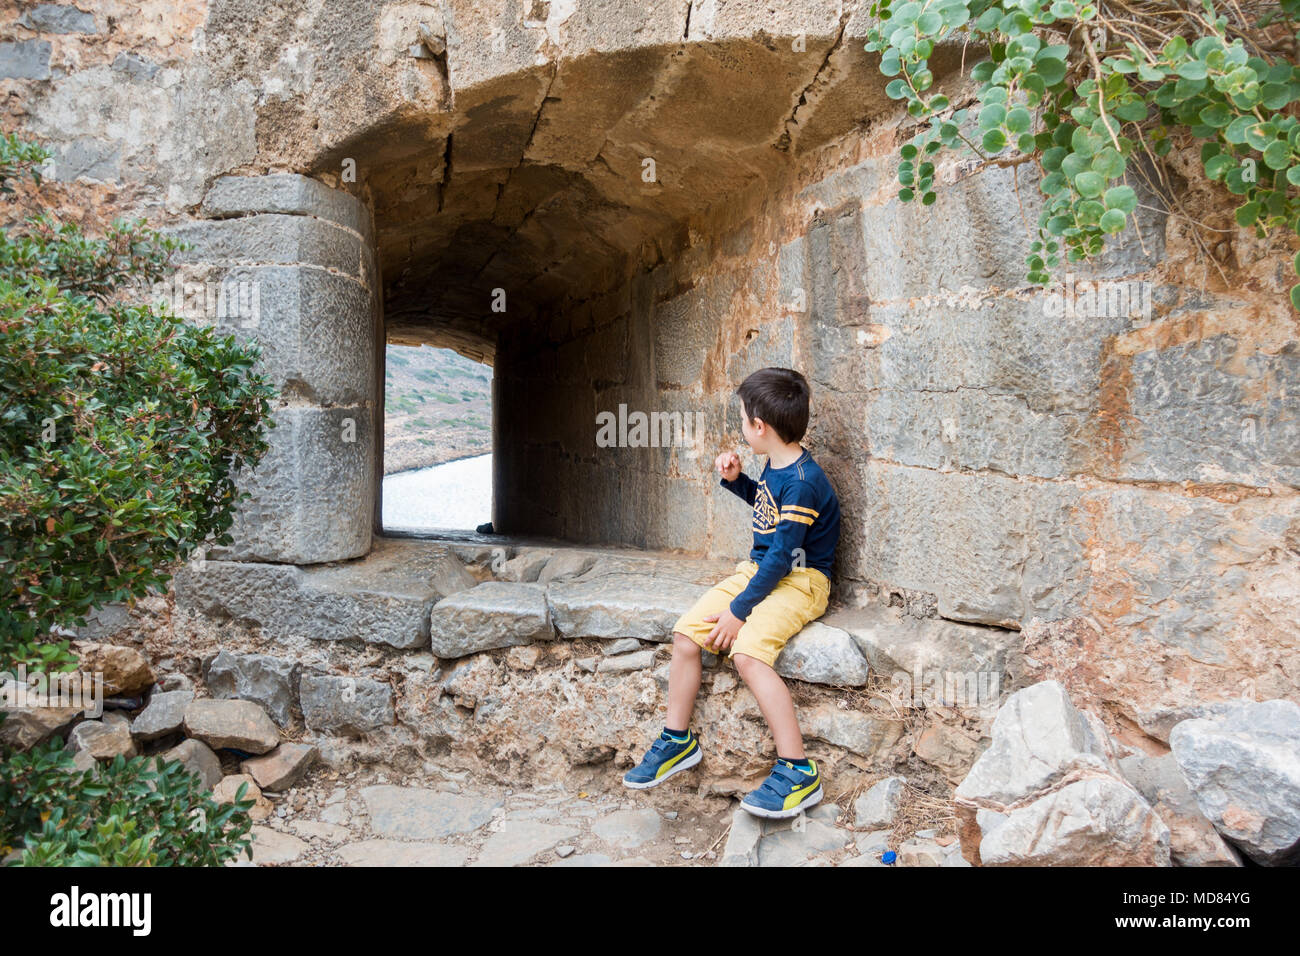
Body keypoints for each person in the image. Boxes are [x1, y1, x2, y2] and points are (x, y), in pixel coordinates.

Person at [621, 367, 841, 818]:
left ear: (760, 427)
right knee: (686, 636)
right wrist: (739, 481)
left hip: (801, 581)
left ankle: (799, 771)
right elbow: (769, 510)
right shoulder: (778, 465)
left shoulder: (802, 480)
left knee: (748, 653)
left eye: (742, 419)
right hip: (761, 570)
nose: (740, 427)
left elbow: (784, 555)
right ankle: (678, 740)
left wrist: (740, 611)